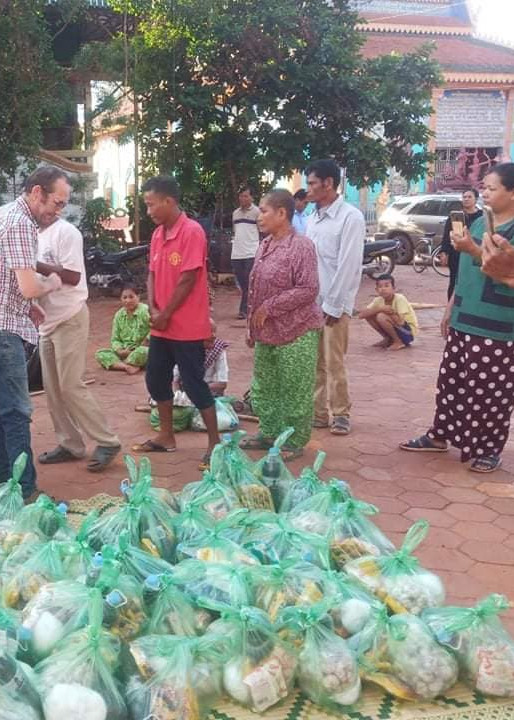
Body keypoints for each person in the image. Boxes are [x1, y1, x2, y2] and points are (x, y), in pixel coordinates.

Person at [400, 163, 514, 474]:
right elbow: (463, 272)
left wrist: (472, 249)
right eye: (484, 188)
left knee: (492, 390)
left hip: (498, 327)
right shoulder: (479, 223)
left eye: (492, 188)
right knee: (451, 383)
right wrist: (451, 307)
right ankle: (440, 434)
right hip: (465, 317)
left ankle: (489, 449)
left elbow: (503, 267)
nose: (484, 193)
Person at [132, 176, 219, 468]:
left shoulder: (192, 232)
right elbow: (152, 273)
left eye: (150, 204)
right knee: (155, 378)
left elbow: (189, 277)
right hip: (162, 325)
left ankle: (214, 444)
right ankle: (166, 436)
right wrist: (153, 307)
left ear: (168, 201)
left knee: (193, 384)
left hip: (186, 326)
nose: (148, 211)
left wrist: (166, 313)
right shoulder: (158, 234)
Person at [241, 189, 323, 460]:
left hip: (296, 329)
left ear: (281, 213)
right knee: (266, 386)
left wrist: (270, 307)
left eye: (264, 211)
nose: (259, 216)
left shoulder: (301, 246)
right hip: (267, 332)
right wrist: (252, 328)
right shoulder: (265, 245)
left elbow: (308, 289)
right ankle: (269, 433)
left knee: (295, 387)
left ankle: (294, 441)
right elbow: (254, 289)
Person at [36, 214, 121, 472]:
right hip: (46, 322)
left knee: (70, 385)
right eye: (55, 200)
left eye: (61, 202)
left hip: (69, 317)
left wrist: (34, 264)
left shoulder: (67, 232)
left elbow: (72, 277)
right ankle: (71, 444)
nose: (56, 207)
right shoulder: (33, 233)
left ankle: (108, 441)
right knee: (52, 389)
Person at [0, 166, 65, 501]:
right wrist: (50, 283)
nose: (57, 211)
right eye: (56, 202)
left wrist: (27, 307)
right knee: (15, 412)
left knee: (4, 410)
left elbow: (7, 279)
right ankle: (25, 490)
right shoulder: (21, 224)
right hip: (4, 333)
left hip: (7, 320)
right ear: (37, 192)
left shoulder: (5, 214)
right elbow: (28, 285)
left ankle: (5, 487)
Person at [305, 158, 366, 436]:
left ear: (328, 184)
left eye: (312, 183)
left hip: (335, 304)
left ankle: (341, 413)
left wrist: (334, 304)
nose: (309, 189)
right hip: (311, 303)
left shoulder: (350, 217)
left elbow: (349, 265)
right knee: (313, 362)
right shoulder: (312, 219)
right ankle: (317, 413)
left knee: (334, 361)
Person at [95, 284, 150, 374]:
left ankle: (120, 364)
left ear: (138, 297)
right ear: (121, 299)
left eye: (131, 297)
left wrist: (144, 343)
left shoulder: (145, 311)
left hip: (141, 349)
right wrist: (120, 351)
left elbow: (154, 330)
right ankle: (127, 366)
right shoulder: (119, 315)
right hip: (125, 351)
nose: (128, 301)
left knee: (144, 351)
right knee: (100, 353)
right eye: (124, 297)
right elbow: (115, 339)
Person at [439, 188, 482, 299]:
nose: (466, 199)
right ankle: (451, 307)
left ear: (476, 199)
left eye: (469, 197)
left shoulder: (482, 217)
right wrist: (444, 252)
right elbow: (446, 236)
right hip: (456, 254)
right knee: (454, 281)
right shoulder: (455, 216)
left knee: (473, 280)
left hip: (474, 253)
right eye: (464, 197)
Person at [359, 274, 418, 350]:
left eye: (386, 286)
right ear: (376, 290)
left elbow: (401, 322)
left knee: (381, 316)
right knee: (370, 314)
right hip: (397, 329)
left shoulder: (400, 299)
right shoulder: (378, 300)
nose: (383, 289)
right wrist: (380, 309)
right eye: (380, 287)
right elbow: (361, 315)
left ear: (393, 288)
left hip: (408, 333)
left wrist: (390, 313)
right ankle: (388, 339)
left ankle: (398, 341)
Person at [173, 319, 229, 398]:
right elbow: (174, 380)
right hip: (185, 391)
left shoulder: (218, 349)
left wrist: (199, 388)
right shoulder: (185, 348)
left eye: (214, 332)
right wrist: (178, 397)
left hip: (208, 391)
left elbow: (222, 384)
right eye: (210, 332)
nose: (214, 336)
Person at [231, 186, 260, 319]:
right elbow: (236, 231)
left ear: (252, 197)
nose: (243, 198)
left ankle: (244, 310)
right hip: (237, 253)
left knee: (249, 282)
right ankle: (250, 307)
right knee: (242, 283)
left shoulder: (257, 212)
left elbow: (262, 231)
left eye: (246, 196)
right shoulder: (235, 213)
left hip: (251, 252)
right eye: (241, 196)